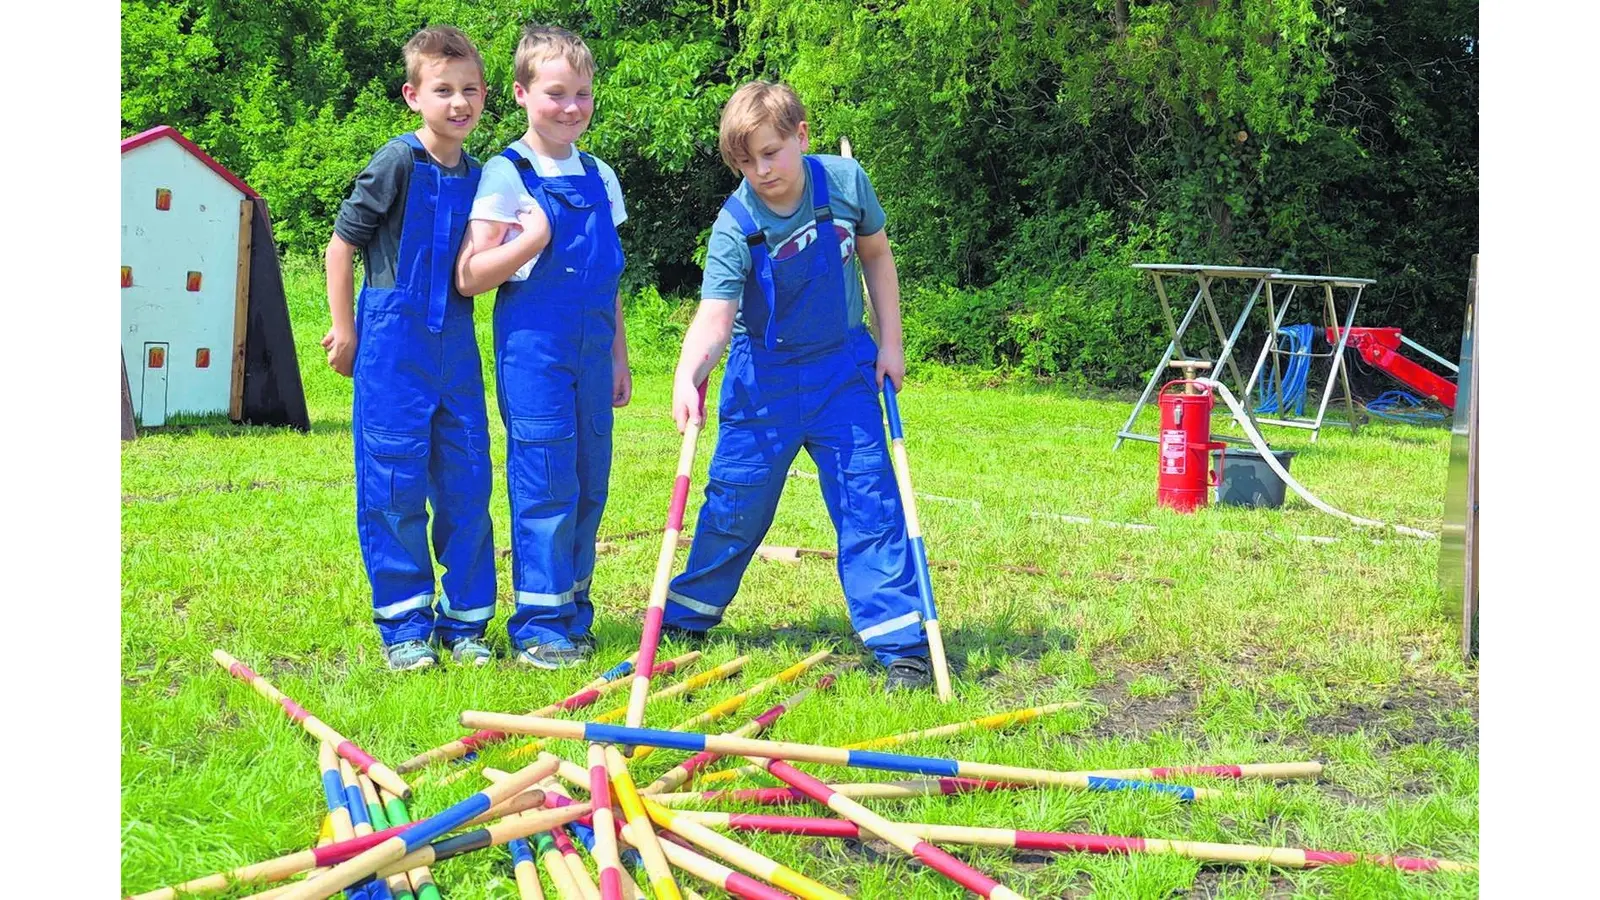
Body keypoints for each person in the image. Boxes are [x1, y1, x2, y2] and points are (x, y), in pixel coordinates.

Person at [662, 81, 934, 691]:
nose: (760, 171)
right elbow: (715, 315)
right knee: (734, 505)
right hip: (765, 382)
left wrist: (891, 344)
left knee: (871, 504)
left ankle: (903, 645)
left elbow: (877, 256)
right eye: (744, 161)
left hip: (844, 372)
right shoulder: (735, 225)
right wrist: (688, 372)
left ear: (801, 137)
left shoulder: (844, 182)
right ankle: (687, 620)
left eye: (771, 152)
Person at [455, 24, 631, 669]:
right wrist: (532, 239)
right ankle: (538, 626)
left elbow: (610, 278)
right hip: (534, 350)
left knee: (589, 483)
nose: (572, 108)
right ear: (523, 93)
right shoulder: (509, 171)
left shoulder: (599, 173)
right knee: (545, 480)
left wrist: (619, 357)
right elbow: (471, 274)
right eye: (557, 93)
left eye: (582, 94)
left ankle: (573, 610)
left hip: (592, 352)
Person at [323, 26, 497, 670]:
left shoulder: (482, 175)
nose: (459, 102)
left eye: (469, 89)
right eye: (443, 90)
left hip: (455, 343)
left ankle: (468, 624)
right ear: (412, 95)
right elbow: (341, 248)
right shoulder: (396, 161)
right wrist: (346, 330)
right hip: (391, 342)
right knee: (393, 482)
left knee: (466, 478)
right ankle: (405, 628)